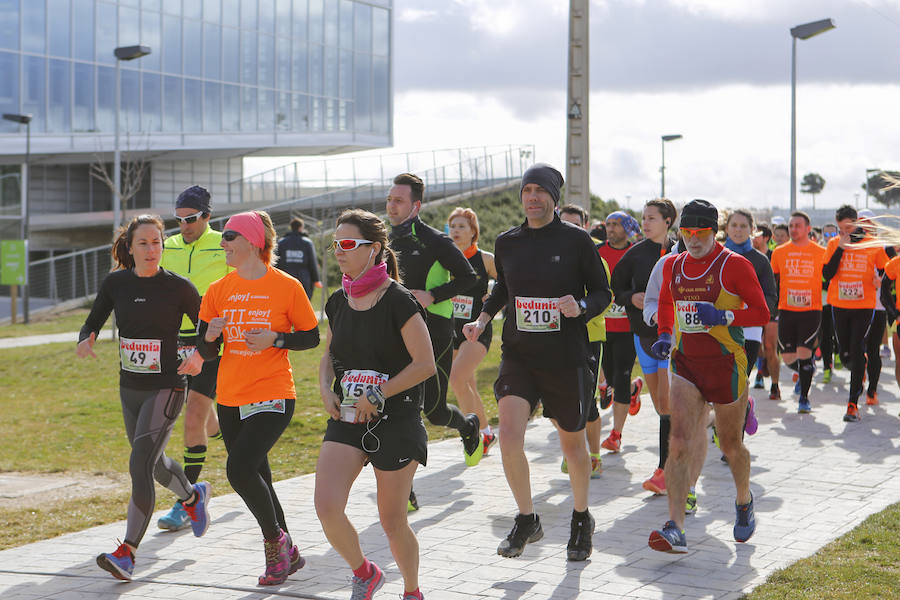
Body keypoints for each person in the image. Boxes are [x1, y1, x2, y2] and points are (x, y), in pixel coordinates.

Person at [463, 164, 612, 562]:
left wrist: (581, 305)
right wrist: (482, 320)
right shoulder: (507, 242)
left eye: (540, 191)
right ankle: (527, 518)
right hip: (520, 356)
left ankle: (581, 518)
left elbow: (603, 292)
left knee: (573, 446)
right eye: (527, 190)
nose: (532, 197)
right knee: (510, 437)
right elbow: (503, 288)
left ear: (554, 198)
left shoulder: (577, 241)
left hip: (565, 358)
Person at [77, 214, 211, 581]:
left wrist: (200, 356)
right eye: (144, 243)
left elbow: (209, 332)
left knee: (139, 464)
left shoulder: (179, 288)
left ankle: (128, 552)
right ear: (130, 247)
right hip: (130, 387)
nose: (152, 249)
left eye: (157, 242)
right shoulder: (116, 283)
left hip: (167, 386)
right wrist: (86, 337)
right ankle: (193, 497)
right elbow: (94, 318)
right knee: (153, 464)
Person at [314, 209, 435, 600]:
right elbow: (329, 355)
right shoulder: (339, 300)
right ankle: (364, 572)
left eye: (348, 244)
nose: (339, 251)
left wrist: (379, 393)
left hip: (396, 419)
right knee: (326, 506)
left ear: (375, 248)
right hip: (348, 416)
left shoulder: (399, 301)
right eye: (336, 244)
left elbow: (425, 365)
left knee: (392, 520)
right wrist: (325, 388)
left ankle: (412, 591)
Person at [197, 210, 320, 585]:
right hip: (231, 397)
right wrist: (210, 336)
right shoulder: (218, 290)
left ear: (252, 242)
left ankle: (273, 545)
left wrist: (275, 339)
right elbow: (205, 352)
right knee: (257, 475)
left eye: (229, 236)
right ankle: (289, 550)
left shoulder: (287, 286)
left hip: (273, 393)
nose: (222, 243)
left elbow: (311, 337)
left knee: (238, 470)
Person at [648, 199, 769, 554]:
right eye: (686, 232)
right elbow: (667, 303)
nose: (693, 240)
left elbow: (762, 312)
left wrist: (723, 316)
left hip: (726, 365)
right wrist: (665, 335)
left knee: (730, 446)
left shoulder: (735, 265)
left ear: (714, 232)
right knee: (679, 441)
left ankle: (744, 499)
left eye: (701, 233)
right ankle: (675, 527)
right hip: (686, 364)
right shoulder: (673, 264)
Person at [387, 173, 481, 511]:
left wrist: (432, 295)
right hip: (394, 331)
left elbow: (469, 277)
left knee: (435, 412)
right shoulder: (382, 239)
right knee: (400, 407)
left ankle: (468, 425)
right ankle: (405, 490)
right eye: (390, 199)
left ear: (415, 206)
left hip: (434, 331)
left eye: (399, 201)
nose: (392, 206)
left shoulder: (435, 240)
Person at [157, 185, 231, 532]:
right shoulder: (167, 246)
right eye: (179, 220)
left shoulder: (224, 244)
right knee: (201, 413)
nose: (184, 226)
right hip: (173, 343)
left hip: (211, 342)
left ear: (207, 216)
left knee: (194, 415)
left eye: (191, 219)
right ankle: (232, 443)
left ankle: (187, 500)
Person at [611, 198, 677, 495]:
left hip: (671, 337)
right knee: (662, 406)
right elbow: (615, 288)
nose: (645, 223)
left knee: (666, 401)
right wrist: (631, 298)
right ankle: (712, 419)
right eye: (643, 218)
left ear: (668, 221)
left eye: (652, 218)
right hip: (642, 335)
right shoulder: (635, 254)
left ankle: (664, 470)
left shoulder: (680, 252)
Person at [556, 204, 612, 478]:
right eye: (563, 224)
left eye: (575, 225)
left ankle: (594, 456)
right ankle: (573, 449)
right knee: (560, 400)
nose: (568, 230)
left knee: (587, 402)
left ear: (585, 227)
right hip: (556, 338)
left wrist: (579, 307)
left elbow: (603, 297)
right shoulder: (549, 258)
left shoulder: (595, 260)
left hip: (589, 337)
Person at [822, 205, 889, 422]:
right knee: (845, 354)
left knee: (857, 347)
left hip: (864, 306)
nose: (845, 233)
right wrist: (841, 247)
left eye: (848, 228)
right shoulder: (834, 244)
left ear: (857, 223)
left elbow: (887, 270)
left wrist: (880, 280)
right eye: (841, 229)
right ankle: (858, 365)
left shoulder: (872, 243)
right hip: (839, 305)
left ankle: (852, 404)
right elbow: (827, 274)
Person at [447, 207, 498, 454]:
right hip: (450, 330)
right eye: (452, 226)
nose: (455, 231)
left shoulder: (485, 259)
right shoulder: (444, 259)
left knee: (456, 378)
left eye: (461, 226)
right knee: (468, 385)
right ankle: (487, 433)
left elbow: (508, 281)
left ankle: (472, 434)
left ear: (473, 231)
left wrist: (493, 295)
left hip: (477, 329)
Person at [596, 211, 643, 454]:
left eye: (616, 224)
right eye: (608, 224)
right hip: (602, 327)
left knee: (621, 378)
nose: (611, 228)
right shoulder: (596, 252)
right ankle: (634, 390)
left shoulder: (636, 253)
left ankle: (616, 435)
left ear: (627, 228)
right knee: (612, 380)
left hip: (627, 327)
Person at [769, 212, 826, 413]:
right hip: (786, 310)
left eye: (797, 226)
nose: (793, 229)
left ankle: (804, 398)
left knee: (803, 352)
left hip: (811, 310)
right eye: (791, 225)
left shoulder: (820, 252)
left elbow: (831, 275)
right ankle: (807, 369)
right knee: (788, 358)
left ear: (808, 229)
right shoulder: (779, 252)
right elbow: (773, 281)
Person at [276, 217, 322, 298]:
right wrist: (316, 280)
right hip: (304, 280)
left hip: (286, 278)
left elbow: (276, 262)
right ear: (301, 227)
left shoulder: (281, 242)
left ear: (291, 227)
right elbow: (312, 263)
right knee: (303, 301)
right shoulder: (307, 243)